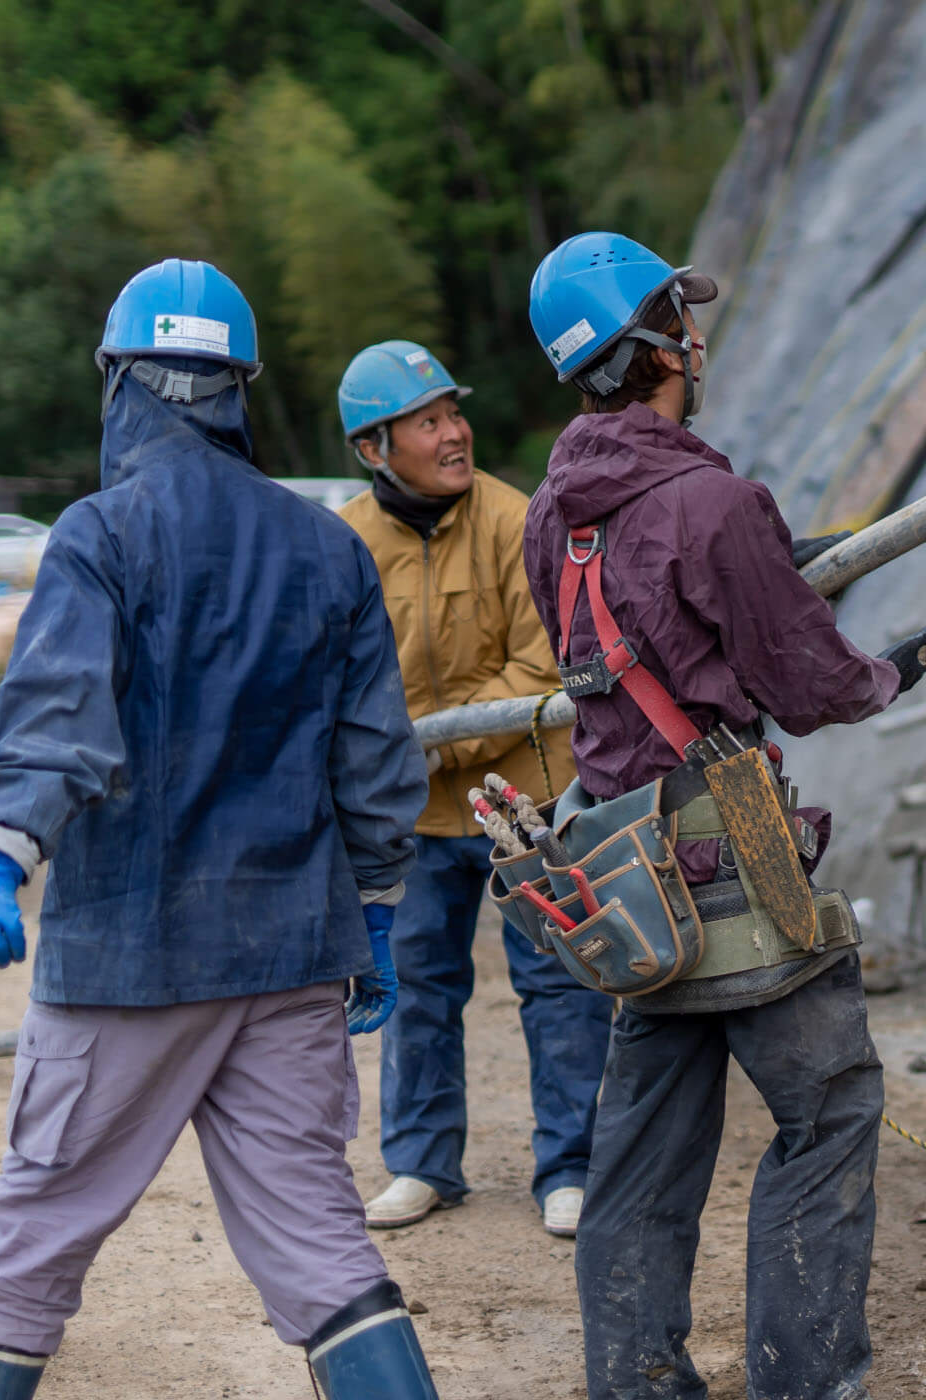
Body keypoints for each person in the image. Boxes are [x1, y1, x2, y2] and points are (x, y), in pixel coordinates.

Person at [0, 260, 438, 1399]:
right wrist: (376, 912)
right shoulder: (329, 548)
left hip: (129, 956)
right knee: (320, 1242)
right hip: (293, 955)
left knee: (30, 1237)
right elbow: (374, 763)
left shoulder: (102, 534)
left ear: (119, 380)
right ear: (236, 389)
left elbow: (59, 720)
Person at [520, 231, 926, 1400]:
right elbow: (810, 684)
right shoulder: (712, 499)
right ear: (653, 344)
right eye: (680, 319)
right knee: (828, 1107)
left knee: (642, 1154)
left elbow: (627, 640)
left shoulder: (551, 515)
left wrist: (764, 567)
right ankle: (805, 1382)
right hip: (731, 851)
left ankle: (637, 1380)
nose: (697, 339)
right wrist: (887, 673)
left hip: (624, 866)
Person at [335, 340, 609, 1238]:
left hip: (523, 803)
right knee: (415, 985)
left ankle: (570, 1167)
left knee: (560, 984)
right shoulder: (344, 543)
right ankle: (420, 1165)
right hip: (407, 815)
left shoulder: (516, 519)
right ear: (376, 447)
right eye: (429, 421)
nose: (456, 433)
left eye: (454, 412)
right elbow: (340, 675)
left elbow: (541, 667)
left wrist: (437, 745)